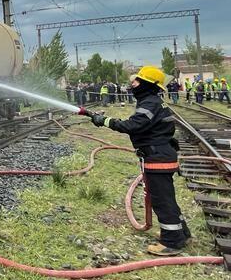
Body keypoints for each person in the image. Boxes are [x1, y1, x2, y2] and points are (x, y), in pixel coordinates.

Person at [79, 65, 189, 254]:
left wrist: (105, 121)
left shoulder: (149, 103)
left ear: (147, 84)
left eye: (137, 81)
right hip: (160, 155)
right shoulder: (152, 101)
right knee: (166, 198)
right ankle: (181, 234)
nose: (133, 84)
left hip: (157, 157)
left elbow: (133, 126)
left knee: (162, 201)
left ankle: (172, 242)